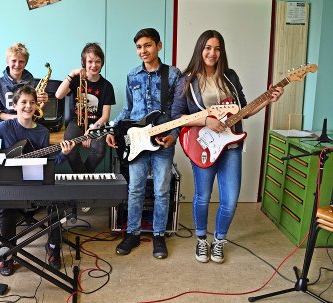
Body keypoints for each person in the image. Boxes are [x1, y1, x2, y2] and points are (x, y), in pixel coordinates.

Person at [171, 30, 283, 263]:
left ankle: (219, 241)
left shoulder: (229, 76)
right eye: (208, 48)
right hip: (203, 145)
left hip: (231, 147)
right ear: (200, 49)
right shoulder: (187, 79)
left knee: (230, 199)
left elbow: (244, 110)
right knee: (202, 197)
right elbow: (176, 116)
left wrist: (268, 100)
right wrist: (205, 120)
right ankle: (202, 240)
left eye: (217, 48)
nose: (212, 53)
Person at [0, 85, 74, 275]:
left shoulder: (42, 132)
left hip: (36, 181)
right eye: (23, 102)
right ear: (14, 105)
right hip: (12, 182)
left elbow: (48, 163)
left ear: (37, 106)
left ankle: (53, 247)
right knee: (6, 208)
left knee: (57, 202)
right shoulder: (6, 125)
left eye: (32, 103)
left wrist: (64, 154)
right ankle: (8, 253)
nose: (28, 106)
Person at [106, 28, 181, 259]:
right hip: (136, 141)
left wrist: (174, 135)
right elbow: (128, 110)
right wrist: (112, 130)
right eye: (139, 47)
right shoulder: (132, 75)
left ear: (159, 45)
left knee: (161, 190)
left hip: (162, 140)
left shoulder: (174, 74)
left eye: (147, 45)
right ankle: (133, 234)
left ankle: (159, 235)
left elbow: (180, 111)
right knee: (135, 189)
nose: (143, 51)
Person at [55, 42, 115, 173]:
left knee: (99, 152)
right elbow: (58, 95)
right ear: (84, 63)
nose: (94, 65)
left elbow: (105, 116)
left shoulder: (107, 86)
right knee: (70, 149)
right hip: (75, 122)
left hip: (96, 124)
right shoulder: (76, 80)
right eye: (90, 61)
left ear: (102, 63)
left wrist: (91, 131)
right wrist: (72, 73)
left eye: (98, 61)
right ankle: (85, 180)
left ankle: (83, 178)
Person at [0, 42, 48, 121]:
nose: (17, 65)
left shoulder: (33, 83)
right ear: (7, 61)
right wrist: (14, 118)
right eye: (13, 61)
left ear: (25, 63)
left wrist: (44, 102)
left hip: (28, 123)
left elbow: (36, 111)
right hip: (6, 124)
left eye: (21, 61)